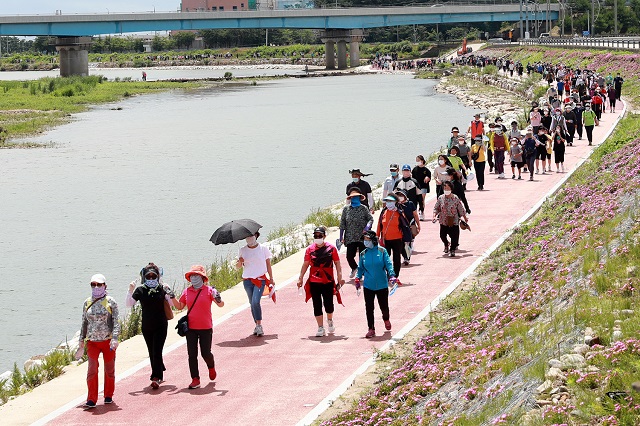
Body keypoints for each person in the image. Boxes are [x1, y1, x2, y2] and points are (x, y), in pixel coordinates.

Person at [174, 265, 224, 389]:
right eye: (192, 276)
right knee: (192, 354)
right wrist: (171, 297)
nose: (194, 278)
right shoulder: (187, 291)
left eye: (197, 276)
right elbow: (180, 306)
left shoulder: (209, 291)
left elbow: (221, 305)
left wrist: (218, 298)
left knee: (205, 353)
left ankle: (211, 366)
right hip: (191, 327)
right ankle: (195, 378)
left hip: (206, 327)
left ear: (202, 277)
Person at [126, 263, 175, 389]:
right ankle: (159, 366)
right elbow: (129, 303)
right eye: (149, 277)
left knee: (157, 351)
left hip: (161, 325)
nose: (151, 279)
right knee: (151, 351)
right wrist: (130, 289)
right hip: (147, 326)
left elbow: (172, 304)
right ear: (144, 277)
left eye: (154, 277)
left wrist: (169, 292)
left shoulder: (162, 288)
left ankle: (156, 377)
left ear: (158, 277)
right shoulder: (141, 290)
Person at [77, 273, 120, 408]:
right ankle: (91, 399)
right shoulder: (87, 302)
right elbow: (84, 322)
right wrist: (81, 342)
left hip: (107, 342)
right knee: (92, 370)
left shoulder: (111, 302)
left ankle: (108, 395)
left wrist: (115, 338)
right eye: (93, 285)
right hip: (92, 342)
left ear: (105, 286)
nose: (96, 287)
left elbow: (116, 321)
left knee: (109, 370)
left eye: (99, 285)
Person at [297, 227, 345, 337]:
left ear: (324, 236)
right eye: (315, 236)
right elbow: (305, 264)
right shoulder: (310, 249)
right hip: (314, 280)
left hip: (327, 280)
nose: (317, 238)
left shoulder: (331, 248)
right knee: (316, 304)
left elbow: (337, 263)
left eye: (320, 236)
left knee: (328, 304)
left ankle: (330, 320)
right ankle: (320, 327)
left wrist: (339, 277)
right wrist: (300, 278)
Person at [355, 231, 396, 338]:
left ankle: (386, 319)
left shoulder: (382, 251)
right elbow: (360, 268)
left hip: (382, 284)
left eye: (367, 239)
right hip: (368, 285)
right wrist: (357, 278)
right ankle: (371, 328)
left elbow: (388, 264)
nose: (365, 242)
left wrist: (392, 275)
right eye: (364, 240)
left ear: (373, 240)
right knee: (369, 307)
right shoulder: (363, 254)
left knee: (384, 306)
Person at [237, 232, 274, 337]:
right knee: (251, 303)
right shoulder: (242, 250)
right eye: (247, 237)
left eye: (251, 236)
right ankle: (256, 325)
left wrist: (271, 278)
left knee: (255, 301)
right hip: (247, 280)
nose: (249, 238)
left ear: (256, 236)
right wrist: (240, 262)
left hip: (260, 280)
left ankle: (259, 325)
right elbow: (238, 266)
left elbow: (268, 264)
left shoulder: (263, 248)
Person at [340, 188, 374, 278]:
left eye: (356, 197)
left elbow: (370, 219)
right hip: (350, 236)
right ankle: (354, 268)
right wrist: (341, 236)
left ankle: (363, 271)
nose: (354, 199)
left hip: (362, 236)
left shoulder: (363, 208)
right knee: (349, 256)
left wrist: (367, 227)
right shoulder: (346, 209)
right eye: (353, 197)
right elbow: (342, 223)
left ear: (359, 198)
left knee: (362, 256)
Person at [377, 193, 411, 282]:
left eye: (390, 201)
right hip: (386, 240)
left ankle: (395, 275)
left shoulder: (399, 213)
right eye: (387, 201)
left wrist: (407, 239)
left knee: (396, 258)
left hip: (397, 240)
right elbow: (379, 224)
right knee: (386, 258)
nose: (388, 203)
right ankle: (389, 274)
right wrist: (377, 236)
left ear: (395, 202)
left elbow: (405, 225)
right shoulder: (383, 212)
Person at [432, 181, 468, 258]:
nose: (446, 190)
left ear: (451, 189)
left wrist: (464, 217)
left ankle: (452, 250)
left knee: (454, 236)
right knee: (442, 235)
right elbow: (436, 208)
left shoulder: (455, 198)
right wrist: (434, 216)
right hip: (443, 220)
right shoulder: (441, 198)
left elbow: (460, 209)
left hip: (454, 220)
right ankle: (446, 244)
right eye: (445, 188)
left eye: (448, 188)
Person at [411, 155, 431, 220]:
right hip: (416, 187)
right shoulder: (414, 169)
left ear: (422, 160)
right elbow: (412, 178)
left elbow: (429, 176)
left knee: (422, 199)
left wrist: (427, 178)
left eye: (419, 160)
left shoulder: (426, 170)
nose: (418, 162)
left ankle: (421, 212)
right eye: (416, 160)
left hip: (424, 186)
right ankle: (415, 213)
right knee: (416, 200)